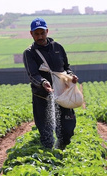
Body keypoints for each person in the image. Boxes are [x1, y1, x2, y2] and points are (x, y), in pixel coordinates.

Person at [23, 17, 79, 150]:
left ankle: (61, 150)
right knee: (46, 133)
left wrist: (71, 76)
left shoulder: (58, 48)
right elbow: (33, 74)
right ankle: (48, 158)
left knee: (68, 130)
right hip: (42, 98)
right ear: (31, 34)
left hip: (62, 95)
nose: (40, 36)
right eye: (36, 34)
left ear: (47, 31)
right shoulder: (29, 53)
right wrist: (43, 83)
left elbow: (66, 67)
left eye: (42, 33)